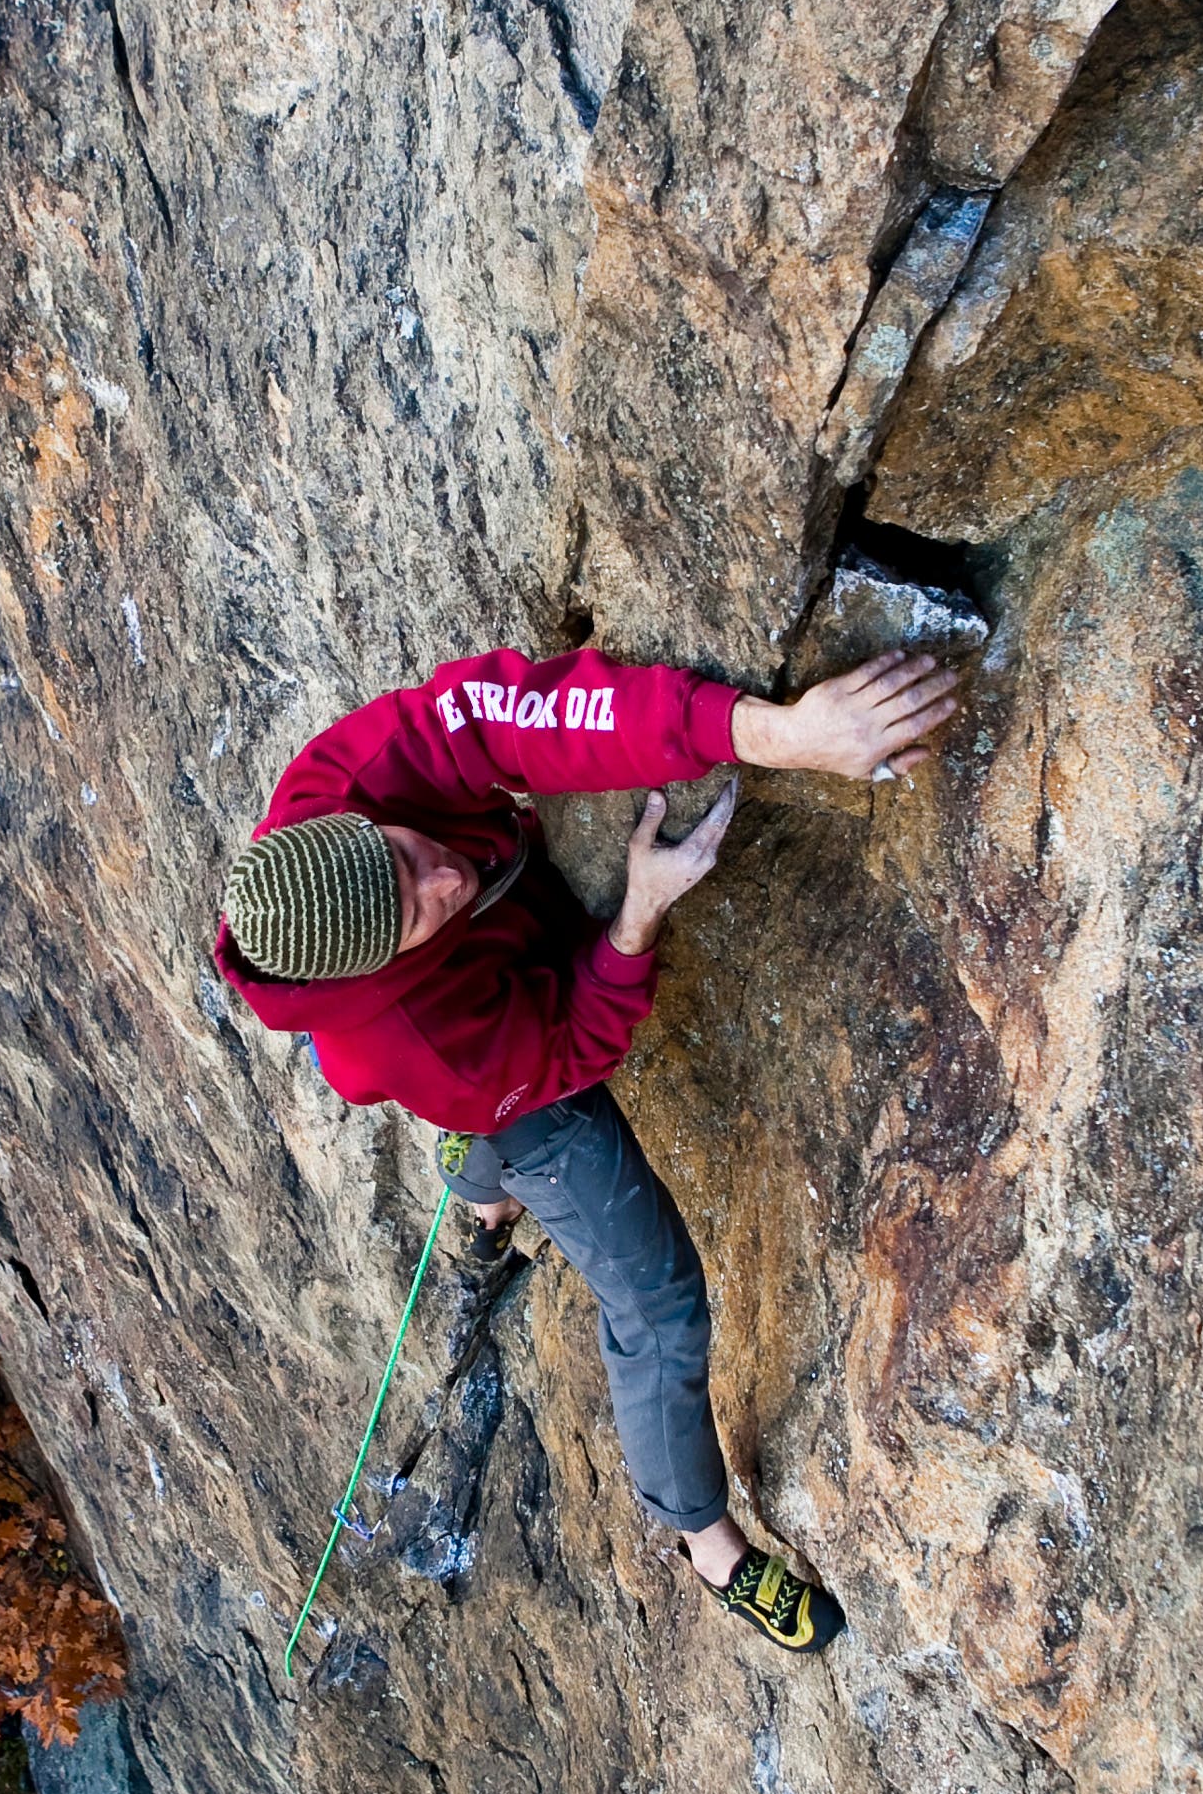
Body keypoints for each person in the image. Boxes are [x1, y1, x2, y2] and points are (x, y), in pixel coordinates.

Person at [215, 636, 961, 1651]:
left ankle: (480, 1185)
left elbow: (522, 717)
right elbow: (567, 1050)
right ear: (372, 969)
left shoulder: (346, 776)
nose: (443, 877)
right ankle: (706, 1541)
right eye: (414, 913)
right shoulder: (417, 1041)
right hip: (514, 1080)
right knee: (658, 1305)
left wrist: (780, 734)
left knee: (476, 1117)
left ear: (351, 821)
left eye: (404, 854)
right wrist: (635, 919)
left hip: (489, 1028)